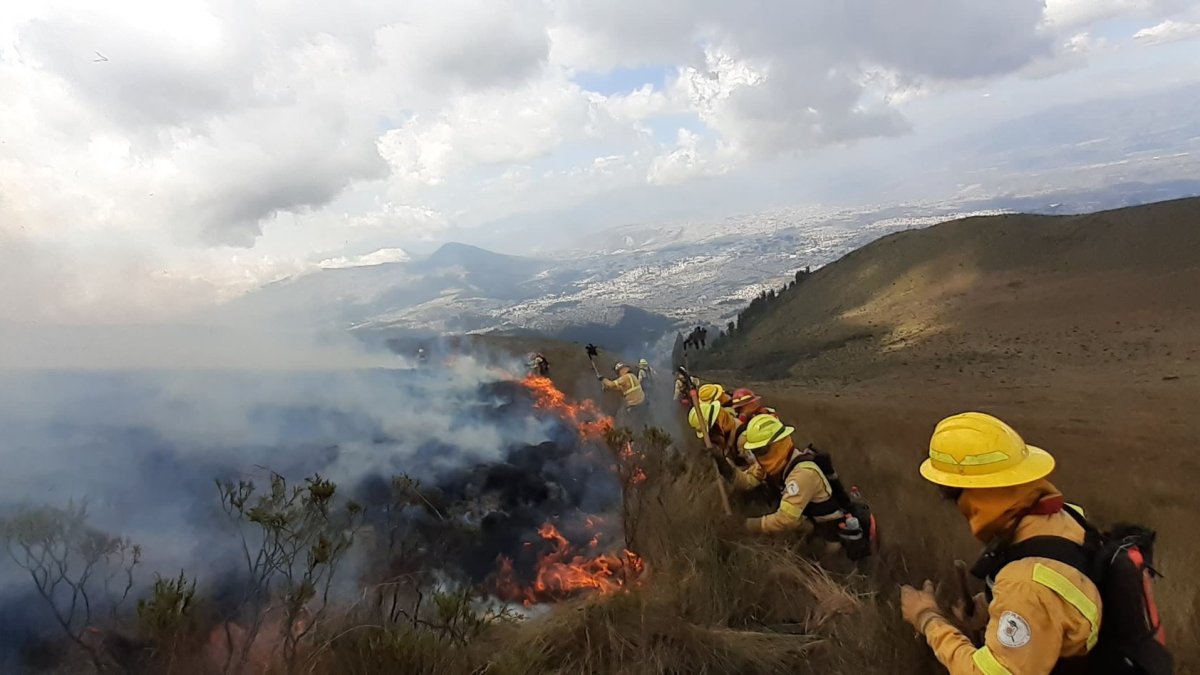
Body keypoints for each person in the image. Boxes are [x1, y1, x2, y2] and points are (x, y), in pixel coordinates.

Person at [900, 412, 1102, 675]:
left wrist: (927, 618)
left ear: (971, 498)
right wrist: (990, 605)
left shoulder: (1024, 585)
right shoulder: (1066, 516)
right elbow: (1059, 594)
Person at [716, 415, 847, 539]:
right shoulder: (768, 465)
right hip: (804, 519)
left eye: (762, 449)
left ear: (778, 443)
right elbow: (747, 482)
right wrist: (724, 466)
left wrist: (745, 525)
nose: (758, 456)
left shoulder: (803, 474)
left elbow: (786, 520)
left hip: (825, 531)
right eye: (755, 451)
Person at [600, 362, 646, 428]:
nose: (618, 374)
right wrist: (608, 388)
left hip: (634, 405)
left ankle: (622, 430)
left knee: (622, 417)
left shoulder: (626, 377)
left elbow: (611, 384)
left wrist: (603, 379)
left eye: (618, 371)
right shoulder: (632, 376)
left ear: (622, 369)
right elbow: (620, 388)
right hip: (642, 404)